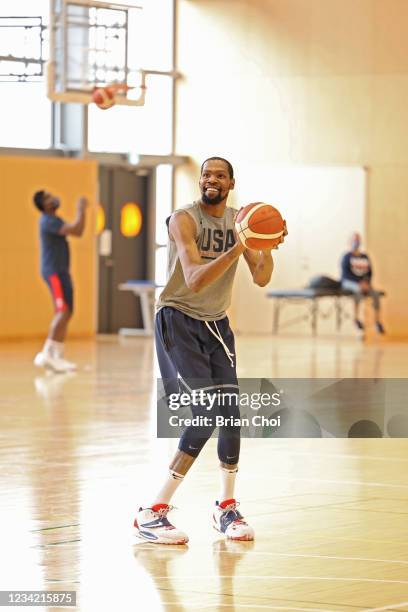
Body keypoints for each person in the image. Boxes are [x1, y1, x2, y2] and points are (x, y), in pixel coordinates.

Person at [134, 157, 287, 544]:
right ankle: (153, 512)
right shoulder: (183, 219)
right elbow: (195, 279)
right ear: (200, 182)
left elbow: (262, 277)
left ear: (231, 183)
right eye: (206, 174)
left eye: (219, 175)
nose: (211, 180)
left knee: (231, 414)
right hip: (179, 318)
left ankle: (226, 507)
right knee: (204, 414)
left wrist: (264, 247)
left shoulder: (240, 221)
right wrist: (241, 245)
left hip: (215, 324)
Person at [33, 190, 88, 372]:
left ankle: (57, 355)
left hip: (62, 271)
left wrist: (82, 212)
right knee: (62, 310)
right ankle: (47, 353)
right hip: (54, 271)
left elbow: (77, 231)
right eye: (48, 198)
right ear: (43, 205)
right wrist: (80, 210)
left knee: (68, 311)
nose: (53, 198)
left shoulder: (55, 219)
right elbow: (75, 230)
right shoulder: (48, 221)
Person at [340, 232, 385, 333]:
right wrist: (359, 283)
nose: (356, 242)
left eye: (358, 240)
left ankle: (377, 322)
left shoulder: (365, 257)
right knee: (358, 289)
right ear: (350, 242)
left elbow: (370, 272)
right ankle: (356, 319)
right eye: (354, 240)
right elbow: (346, 274)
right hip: (349, 283)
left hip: (364, 283)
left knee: (375, 294)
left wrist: (367, 282)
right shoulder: (346, 257)